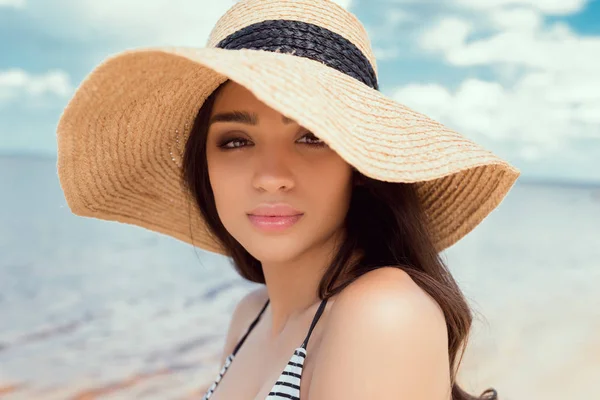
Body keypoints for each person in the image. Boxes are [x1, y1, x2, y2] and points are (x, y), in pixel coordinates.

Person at [56, 0, 519, 399]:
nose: (271, 177)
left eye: (311, 136)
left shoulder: (383, 313)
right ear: (206, 168)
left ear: (358, 165)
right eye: (236, 141)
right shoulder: (250, 317)